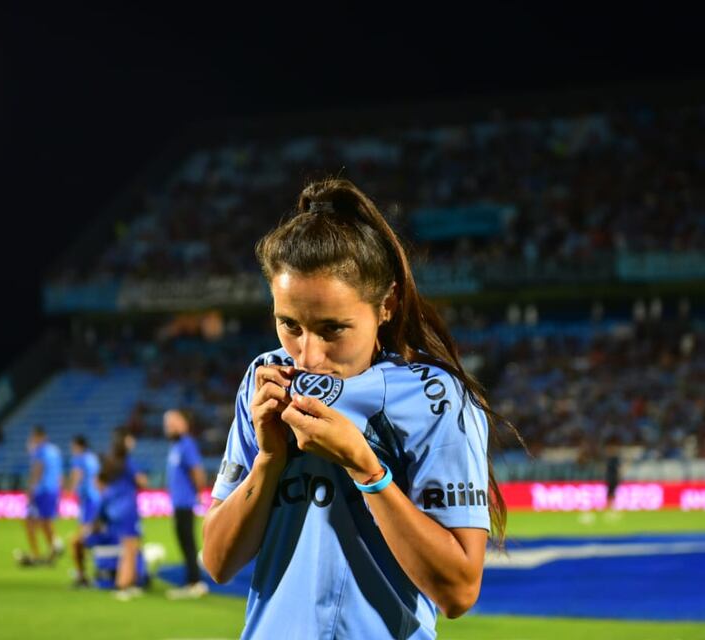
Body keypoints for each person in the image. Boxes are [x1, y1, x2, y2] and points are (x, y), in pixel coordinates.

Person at [203, 179, 521, 639]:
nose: (307, 355)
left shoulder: (434, 397)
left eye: (332, 329)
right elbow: (217, 561)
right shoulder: (265, 378)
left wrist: (366, 468)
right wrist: (270, 461)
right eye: (288, 324)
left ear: (386, 306)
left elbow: (459, 591)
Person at [97, 428, 149, 600]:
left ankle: (132, 583)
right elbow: (142, 481)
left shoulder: (110, 461)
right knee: (130, 549)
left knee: (128, 547)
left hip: (114, 509)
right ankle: (122, 585)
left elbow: (100, 483)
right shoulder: (128, 461)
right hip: (127, 509)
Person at [163, 409, 210, 599]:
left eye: (172, 422)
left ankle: (195, 582)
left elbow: (197, 470)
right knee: (184, 541)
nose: (168, 427)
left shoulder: (186, 444)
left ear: (183, 423)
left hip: (185, 502)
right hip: (178, 502)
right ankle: (192, 581)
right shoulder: (176, 446)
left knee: (188, 541)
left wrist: (199, 492)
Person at [15, 425, 63, 566]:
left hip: (42, 491)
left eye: (33, 437)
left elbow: (38, 470)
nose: (32, 440)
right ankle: (51, 550)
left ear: (39, 437)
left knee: (37, 522)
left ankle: (40, 553)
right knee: (43, 522)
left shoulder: (40, 451)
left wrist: (30, 489)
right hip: (53, 490)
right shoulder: (54, 450)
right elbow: (58, 473)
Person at [68, 435, 101, 587]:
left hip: (88, 500)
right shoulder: (92, 457)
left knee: (81, 537)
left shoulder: (79, 458)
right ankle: (87, 569)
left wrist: (71, 489)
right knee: (88, 533)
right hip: (97, 499)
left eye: (73, 446)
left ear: (78, 446)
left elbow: (77, 475)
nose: (72, 449)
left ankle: (82, 572)